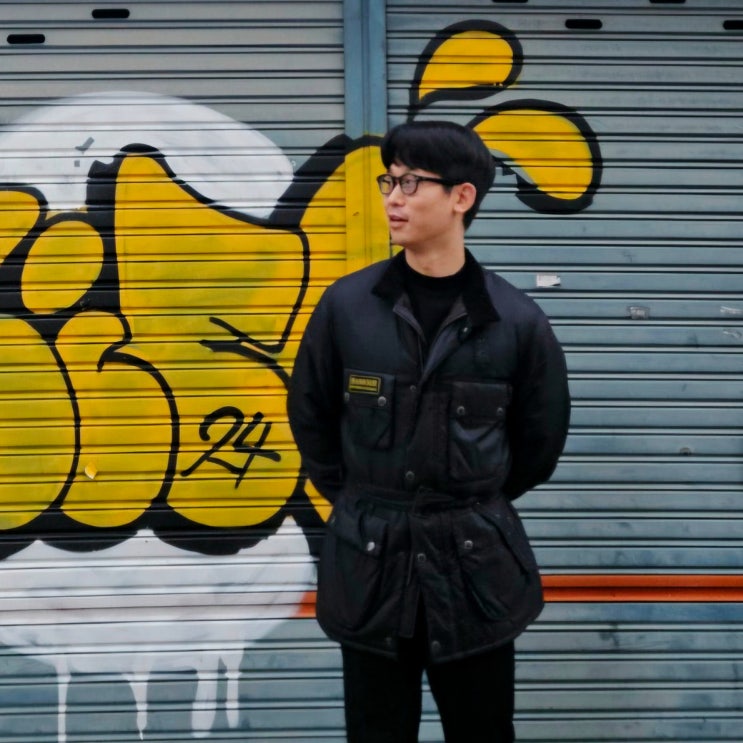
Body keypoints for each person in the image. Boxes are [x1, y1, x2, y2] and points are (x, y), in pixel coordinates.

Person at [287, 120, 570, 743]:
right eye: (389, 181)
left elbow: (539, 446)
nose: (393, 198)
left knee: (483, 732)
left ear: (462, 197)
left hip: (475, 577)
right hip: (371, 570)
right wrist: (366, 503)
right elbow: (311, 419)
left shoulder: (516, 321)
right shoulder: (346, 308)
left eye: (412, 183)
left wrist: (468, 503)